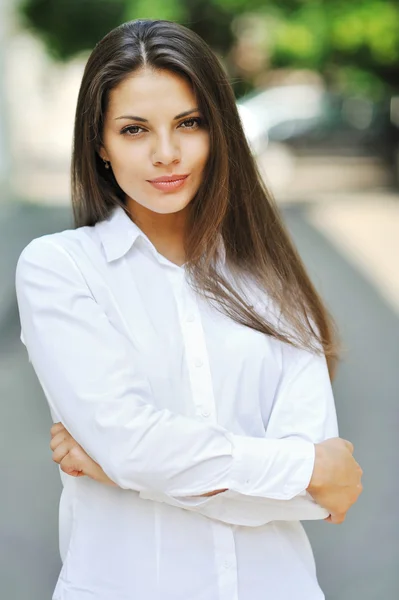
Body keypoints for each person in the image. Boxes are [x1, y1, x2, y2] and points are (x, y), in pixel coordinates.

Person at [15, 19, 363, 600]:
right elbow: (313, 474)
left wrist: (120, 467)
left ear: (219, 130)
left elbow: (315, 496)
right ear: (99, 144)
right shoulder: (60, 268)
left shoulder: (272, 278)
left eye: (189, 123)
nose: (166, 154)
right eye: (134, 130)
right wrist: (299, 467)